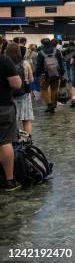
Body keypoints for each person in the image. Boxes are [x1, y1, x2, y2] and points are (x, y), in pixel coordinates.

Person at [0, 51, 22, 192]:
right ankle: (9, 180)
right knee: (4, 142)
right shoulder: (4, 61)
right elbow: (16, 84)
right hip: (2, 106)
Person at [6, 43, 34, 140]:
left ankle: (12, 140)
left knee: (11, 120)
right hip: (24, 94)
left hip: (9, 95)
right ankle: (27, 141)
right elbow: (31, 80)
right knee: (26, 119)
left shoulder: (6, 63)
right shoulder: (25, 63)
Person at [35, 38, 65, 114]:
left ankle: (49, 104)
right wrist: (62, 73)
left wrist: (37, 74)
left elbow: (39, 65)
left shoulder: (41, 52)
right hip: (56, 73)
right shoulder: (57, 51)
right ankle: (53, 106)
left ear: (42, 44)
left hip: (45, 75)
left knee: (43, 88)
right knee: (54, 89)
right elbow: (61, 63)